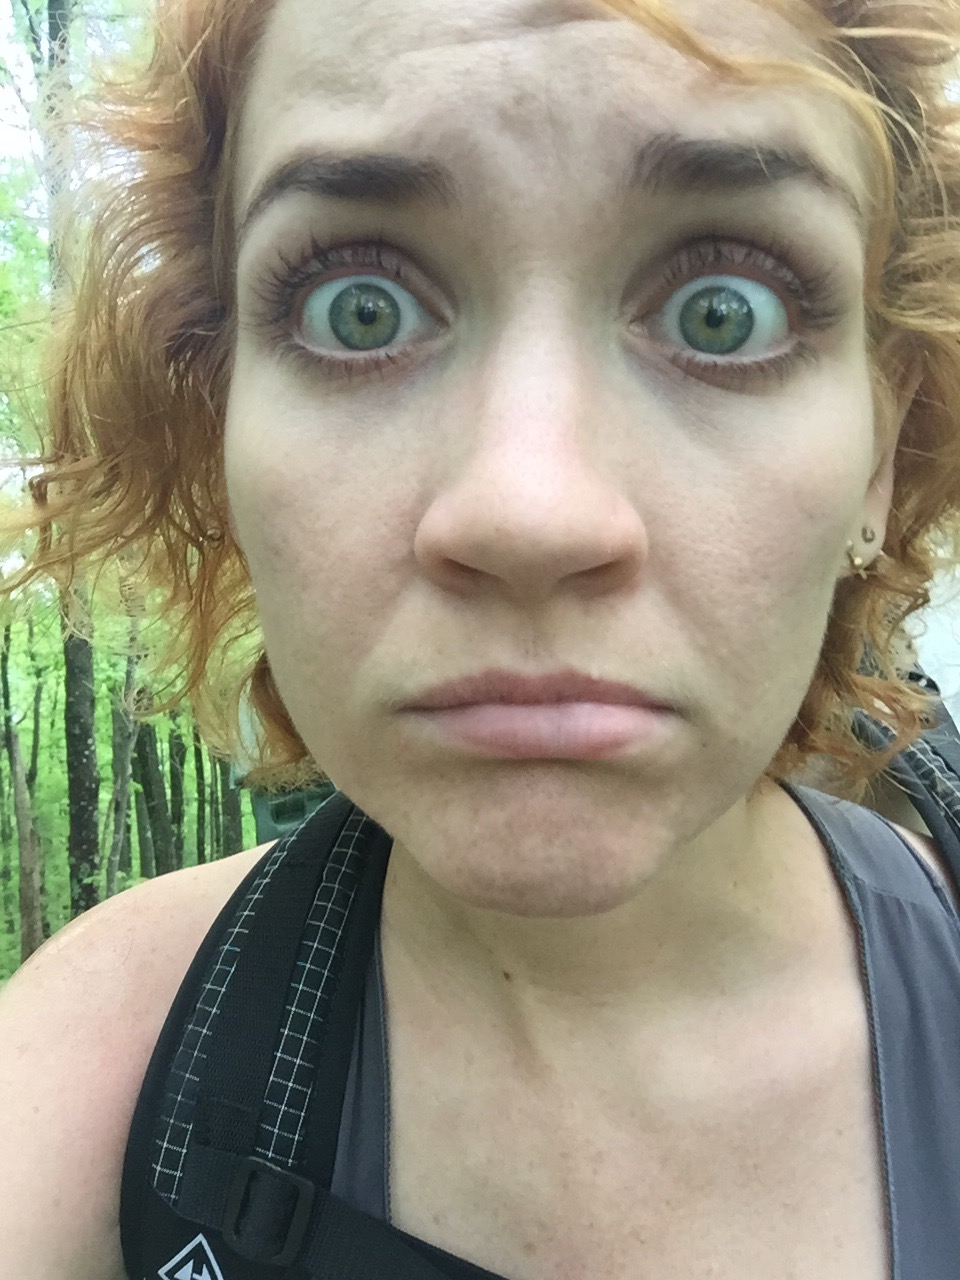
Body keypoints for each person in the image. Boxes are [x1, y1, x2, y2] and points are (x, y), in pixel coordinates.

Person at [2, 0, 960, 1276]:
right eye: (358, 308)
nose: (529, 510)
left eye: (724, 310)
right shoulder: (94, 1081)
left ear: (880, 454)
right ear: (220, 419)